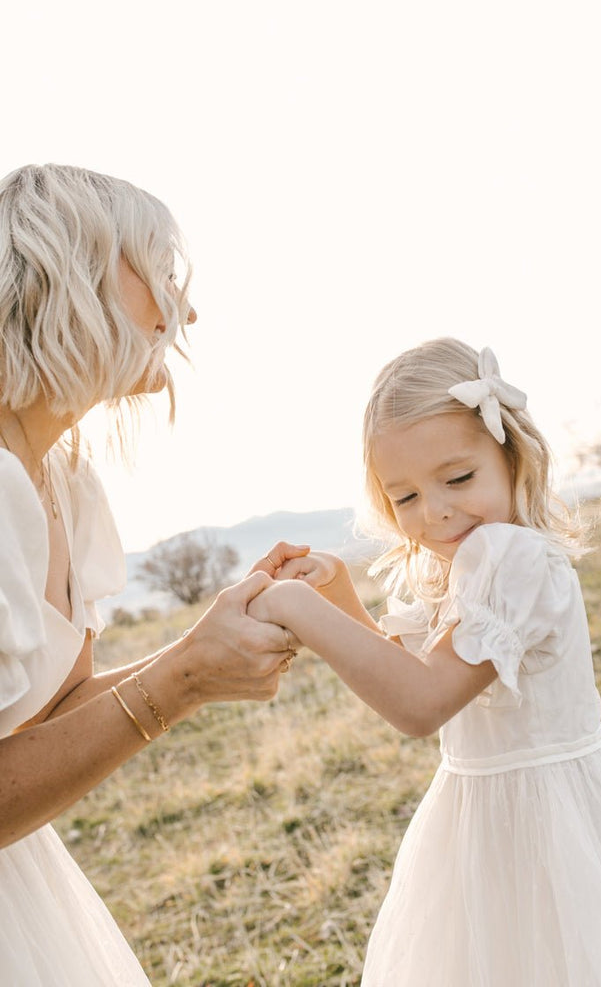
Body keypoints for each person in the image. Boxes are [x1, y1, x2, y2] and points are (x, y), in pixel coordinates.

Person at [249, 338, 601, 986]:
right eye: (405, 497)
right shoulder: (467, 568)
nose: (436, 511)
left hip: (556, 821)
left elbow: (421, 702)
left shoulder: (512, 559)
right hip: (482, 819)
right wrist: (336, 592)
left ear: (512, 456)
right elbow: (404, 676)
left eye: (458, 479)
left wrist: (299, 610)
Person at [0, 163, 304, 985]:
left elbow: (43, 720)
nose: (187, 309)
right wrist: (180, 677)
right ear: (71, 279)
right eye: (161, 275)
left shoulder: (62, 476)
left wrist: (202, 652)